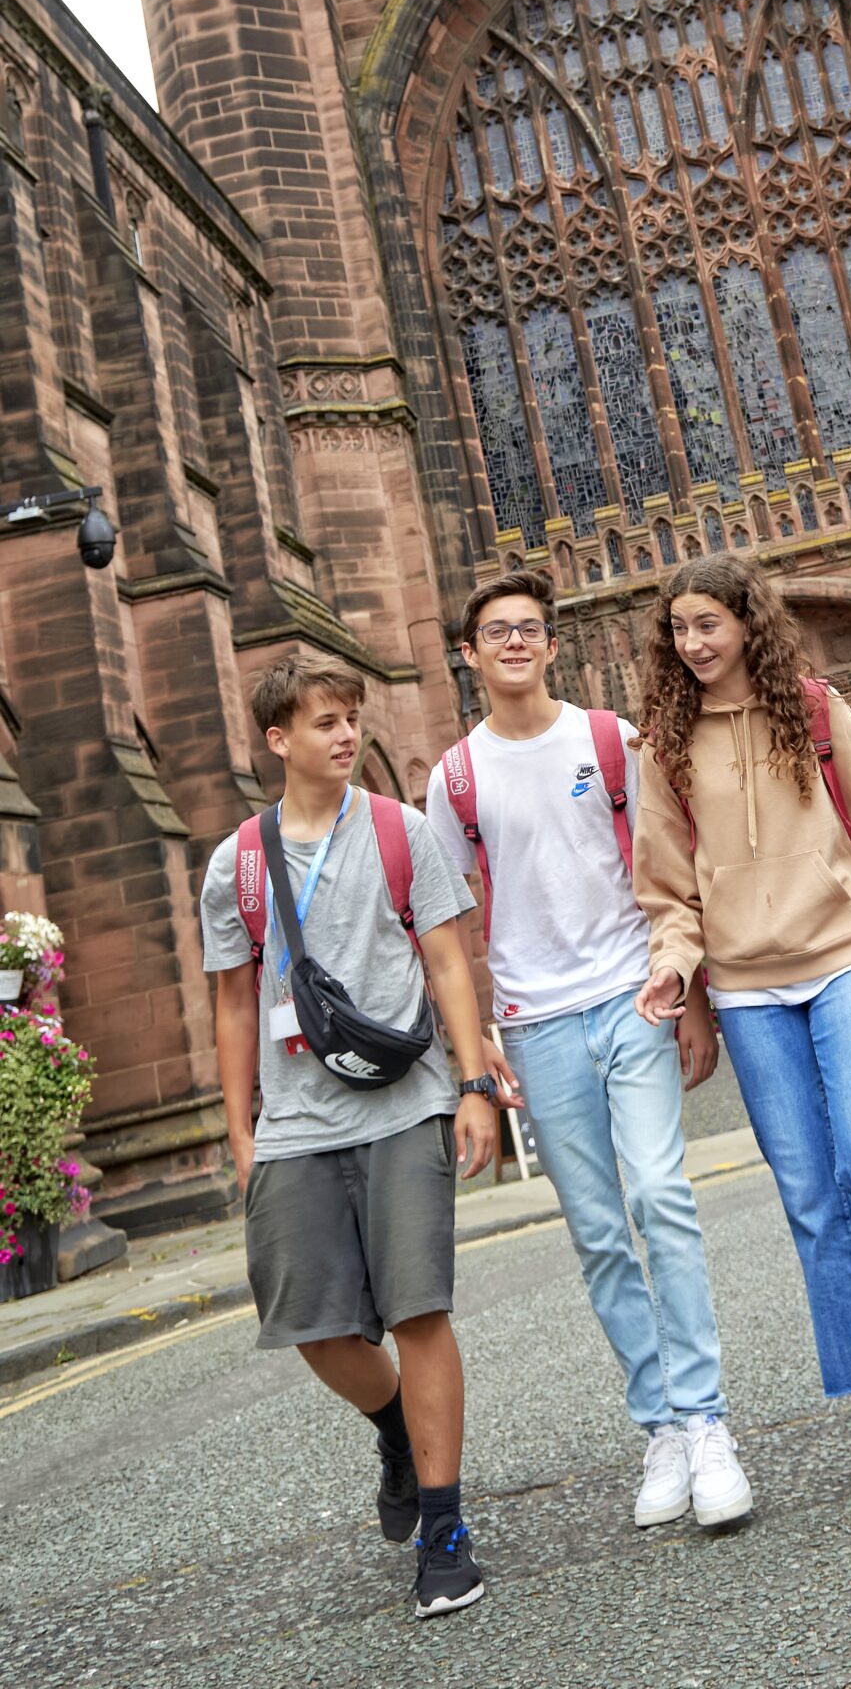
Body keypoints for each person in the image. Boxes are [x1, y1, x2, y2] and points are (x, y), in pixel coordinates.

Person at [629, 552, 851, 1493]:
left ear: (748, 621)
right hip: (747, 985)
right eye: (678, 629)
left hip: (842, 956)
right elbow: (667, 889)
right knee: (811, 1201)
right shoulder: (663, 743)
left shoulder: (817, 712)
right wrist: (675, 967)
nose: (693, 643)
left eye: (707, 623)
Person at [424, 567, 752, 1532]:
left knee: (660, 1195)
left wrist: (688, 996)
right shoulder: (455, 779)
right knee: (600, 1232)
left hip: (632, 998)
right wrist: (475, 1051)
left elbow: (667, 869)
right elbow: (447, 927)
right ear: (471, 654)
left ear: (552, 645)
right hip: (534, 1021)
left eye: (529, 629)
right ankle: (658, 1426)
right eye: (496, 632)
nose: (515, 644)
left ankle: (706, 1423)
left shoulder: (612, 741)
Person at [199, 657, 499, 1619]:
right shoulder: (237, 863)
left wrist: (474, 1086)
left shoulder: (400, 832)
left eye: (350, 719)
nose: (343, 735)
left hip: (405, 1102)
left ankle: (445, 1531)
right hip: (293, 1120)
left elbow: (449, 964)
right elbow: (234, 1001)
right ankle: (394, 1429)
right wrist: (242, 1134)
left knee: (416, 1310)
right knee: (312, 1323)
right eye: (323, 722)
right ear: (278, 740)